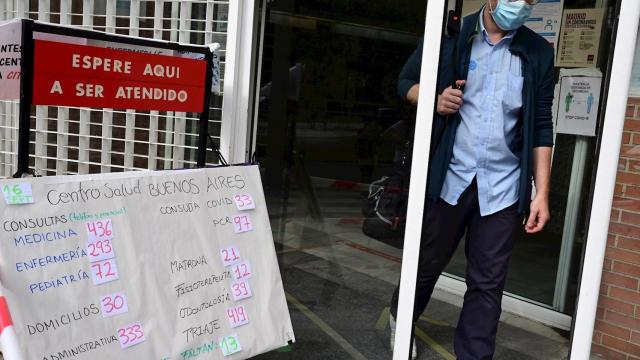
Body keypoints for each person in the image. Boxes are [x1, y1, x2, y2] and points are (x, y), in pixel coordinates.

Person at [389, 0, 553, 359]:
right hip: (451, 177)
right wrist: (432, 99)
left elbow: (541, 125)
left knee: (487, 284)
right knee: (427, 263)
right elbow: (404, 82)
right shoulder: (452, 34)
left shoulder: (538, 52)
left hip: (503, 186)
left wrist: (542, 192)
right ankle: (400, 319)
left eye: (530, 0)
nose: (522, 5)